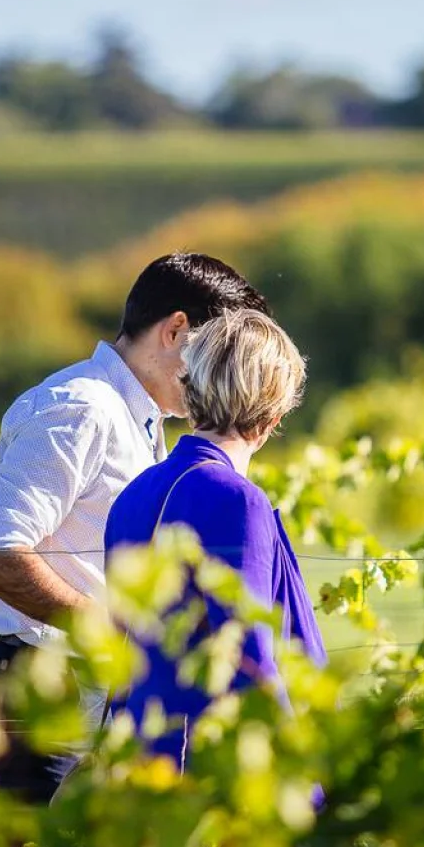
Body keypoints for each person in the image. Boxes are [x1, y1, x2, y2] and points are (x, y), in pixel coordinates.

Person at [0, 253, 268, 805]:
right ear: (176, 330)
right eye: (214, 352)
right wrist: (112, 632)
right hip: (46, 690)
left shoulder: (135, 419)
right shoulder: (82, 408)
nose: (217, 374)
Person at [104, 308, 327, 769]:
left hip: (138, 764)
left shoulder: (133, 494)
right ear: (273, 412)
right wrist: (310, 788)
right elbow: (251, 663)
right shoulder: (237, 500)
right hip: (207, 776)